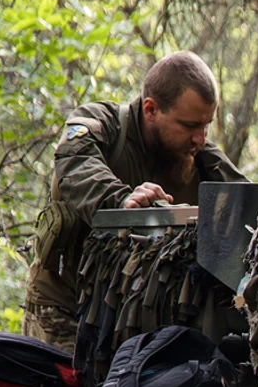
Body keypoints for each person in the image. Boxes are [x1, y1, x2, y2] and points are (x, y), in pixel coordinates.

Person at [23, 51, 245, 351]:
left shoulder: (202, 159)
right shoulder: (102, 126)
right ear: (151, 109)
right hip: (66, 311)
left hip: (139, 320)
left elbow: (249, 205)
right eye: (190, 125)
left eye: (206, 125)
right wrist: (123, 201)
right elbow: (75, 164)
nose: (200, 138)